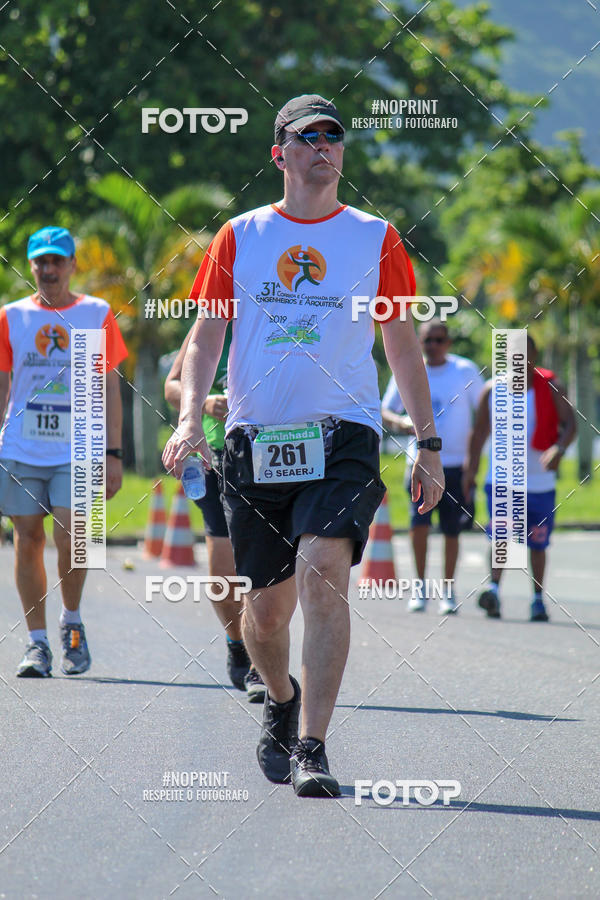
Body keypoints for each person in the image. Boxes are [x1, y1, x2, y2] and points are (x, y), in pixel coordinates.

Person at [163, 94, 444, 798]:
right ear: (278, 152)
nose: (324, 146)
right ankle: (281, 697)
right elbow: (205, 338)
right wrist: (188, 418)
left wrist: (428, 442)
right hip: (256, 438)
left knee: (324, 570)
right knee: (263, 616)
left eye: (334, 136)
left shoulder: (375, 237)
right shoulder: (241, 236)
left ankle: (314, 746)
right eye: (307, 136)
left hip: (344, 431)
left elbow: (402, 347)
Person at [0, 226, 127, 677]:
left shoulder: (96, 313)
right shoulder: (11, 315)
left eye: (57, 261)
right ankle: (36, 644)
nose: (49, 269)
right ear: (31, 266)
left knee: (77, 537)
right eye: (41, 261)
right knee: (27, 539)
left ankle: (71, 622)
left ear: (73, 265)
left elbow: (110, 386)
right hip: (21, 446)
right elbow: (2, 385)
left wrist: (113, 452)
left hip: (81, 445)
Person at [164, 322, 265, 702]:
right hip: (215, 457)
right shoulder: (210, 320)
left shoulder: (278, 311)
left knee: (263, 562)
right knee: (224, 565)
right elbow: (171, 386)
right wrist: (205, 403)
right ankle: (236, 641)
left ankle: (260, 661)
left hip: (267, 454)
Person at [463, 334, 576, 621]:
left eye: (523, 352)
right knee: (501, 538)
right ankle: (494, 592)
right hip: (501, 480)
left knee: (537, 541)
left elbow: (571, 424)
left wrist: (558, 449)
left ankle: (538, 600)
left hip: (539, 481)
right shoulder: (493, 389)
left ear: (534, 355)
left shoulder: (550, 386)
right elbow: (478, 435)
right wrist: (470, 472)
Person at [382, 319, 484, 614]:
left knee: (452, 530)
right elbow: (386, 408)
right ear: (420, 342)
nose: (433, 346)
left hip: (455, 465)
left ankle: (447, 591)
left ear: (448, 343)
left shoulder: (464, 370)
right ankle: (420, 586)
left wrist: (474, 458)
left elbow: (485, 409)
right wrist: (401, 422)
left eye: (439, 340)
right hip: (421, 464)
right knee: (419, 525)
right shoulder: (410, 367)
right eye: (427, 340)